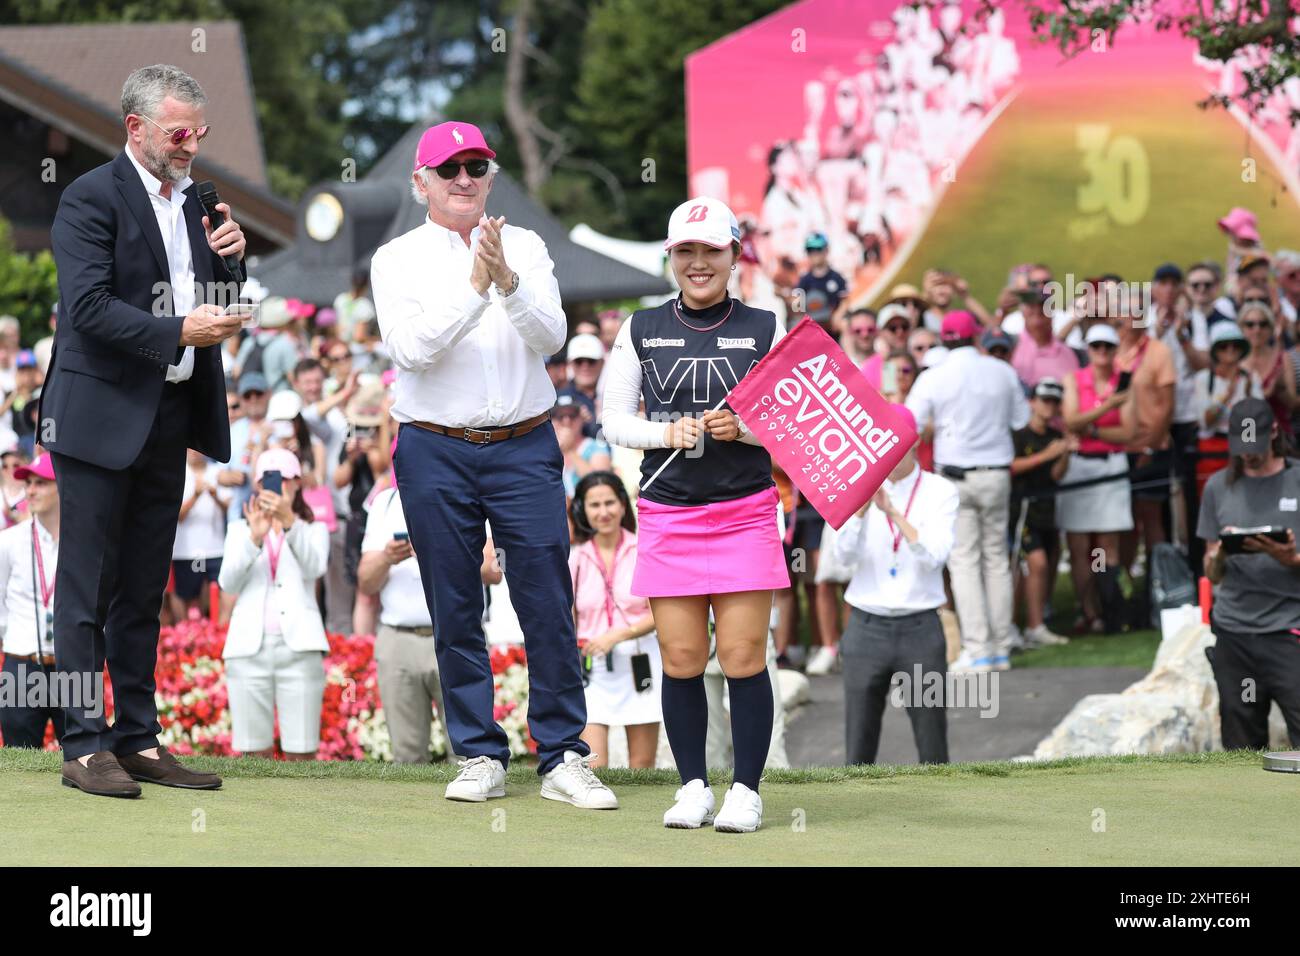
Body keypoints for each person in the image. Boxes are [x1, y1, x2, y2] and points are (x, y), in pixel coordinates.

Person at [372, 121, 616, 809]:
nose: (463, 179)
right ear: (420, 181)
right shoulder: (397, 258)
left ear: (490, 175)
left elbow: (552, 336)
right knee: (454, 603)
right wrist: (476, 285)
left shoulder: (529, 246)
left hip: (524, 441)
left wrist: (505, 277)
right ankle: (479, 752)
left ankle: (564, 754)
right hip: (434, 445)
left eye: (475, 166)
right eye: (448, 169)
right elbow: (413, 350)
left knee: (545, 598)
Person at [44, 64, 242, 797]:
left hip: (168, 414)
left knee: (141, 588)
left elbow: (218, 312)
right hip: (96, 419)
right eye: (179, 131)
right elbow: (88, 309)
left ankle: (135, 738)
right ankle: (81, 744)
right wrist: (177, 327)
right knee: (85, 590)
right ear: (137, 128)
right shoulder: (90, 196)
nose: (191, 144)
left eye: (199, 131)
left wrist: (233, 262)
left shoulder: (200, 206)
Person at [602, 196, 789, 832]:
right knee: (680, 659)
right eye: (686, 251)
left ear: (735, 254)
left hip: (744, 510)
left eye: (712, 250)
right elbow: (614, 419)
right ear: (670, 257)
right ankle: (692, 787)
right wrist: (665, 434)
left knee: (742, 658)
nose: (699, 262)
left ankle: (747, 790)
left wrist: (746, 429)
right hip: (668, 512)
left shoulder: (769, 325)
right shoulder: (641, 327)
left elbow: (797, 427)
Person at [833, 406, 959, 764]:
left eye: (896, 444)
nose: (888, 453)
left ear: (914, 442)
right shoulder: (856, 484)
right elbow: (842, 558)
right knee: (858, 739)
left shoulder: (940, 491)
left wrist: (892, 513)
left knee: (931, 738)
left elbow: (934, 556)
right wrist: (858, 511)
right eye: (882, 443)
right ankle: (855, 811)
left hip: (920, 626)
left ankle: (941, 810)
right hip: (865, 624)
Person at [906, 310, 1029, 672]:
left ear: (944, 339)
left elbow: (909, 421)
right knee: (995, 560)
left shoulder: (934, 376)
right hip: (996, 473)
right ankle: (1000, 647)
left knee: (964, 562)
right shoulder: (1002, 371)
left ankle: (979, 650)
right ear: (975, 336)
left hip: (956, 476)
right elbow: (1020, 421)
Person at [359, 483, 500, 762]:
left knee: (469, 753)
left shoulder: (470, 489)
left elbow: (495, 570)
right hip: (399, 638)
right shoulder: (385, 501)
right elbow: (365, 581)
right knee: (407, 756)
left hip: (459, 633)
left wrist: (443, 548)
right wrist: (387, 557)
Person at [1199, 399, 1300, 749]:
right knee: (1241, 744)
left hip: (1288, 630)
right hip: (1235, 632)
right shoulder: (1217, 487)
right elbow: (1212, 574)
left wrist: (1290, 558)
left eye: (1254, 447)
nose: (1249, 456)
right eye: (1241, 449)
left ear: (1273, 432)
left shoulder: (1296, 480)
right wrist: (1222, 552)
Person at [218, 449, 329, 759]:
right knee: (253, 751)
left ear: (296, 484)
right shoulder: (239, 530)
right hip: (247, 648)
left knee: (303, 750)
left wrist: (289, 522)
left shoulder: (313, 528)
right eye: (268, 481)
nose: (276, 488)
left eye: (284, 480)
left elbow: (314, 567)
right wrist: (254, 539)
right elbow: (228, 582)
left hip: (300, 647)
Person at [569, 472, 661, 769]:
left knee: (642, 765)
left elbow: (661, 613)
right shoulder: (575, 557)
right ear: (583, 510)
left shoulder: (645, 549)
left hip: (640, 661)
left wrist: (619, 635)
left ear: (623, 505)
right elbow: (567, 615)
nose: (603, 512)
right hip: (592, 668)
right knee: (593, 765)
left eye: (610, 502)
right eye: (594, 505)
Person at [1058, 323, 1138, 633]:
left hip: (1110, 464)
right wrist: (1108, 408)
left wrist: (1090, 429)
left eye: (1107, 347)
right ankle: (1088, 610)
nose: (1102, 353)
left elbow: (1128, 432)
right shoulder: (1075, 379)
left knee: (1105, 547)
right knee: (1079, 546)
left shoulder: (1124, 384)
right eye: (1096, 347)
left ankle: (1108, 609)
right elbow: (1070, 418)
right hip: (1080, 465)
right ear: (1088, 350)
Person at [0, 455, 63, 748]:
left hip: (73, 665)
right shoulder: (9, 541)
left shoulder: (84, 542)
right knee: (19, 761)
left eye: (41, 483)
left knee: (90, 759)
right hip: (21, 664)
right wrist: (12, 639)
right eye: (28, 483)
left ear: (62, 486)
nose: (31, 490)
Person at [1010, 379, 1074, 647]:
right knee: (1032, 566)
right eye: (1044, 399)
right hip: (1022, 512)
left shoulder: (1056, 437)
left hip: (1047, 512)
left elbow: (1057, 476)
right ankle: (1024, 625)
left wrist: (1064, 453)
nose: (1049, 405)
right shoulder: (1018, 435)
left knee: (1040, 569)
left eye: (1054, 401)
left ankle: (1033, 624)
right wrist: (1048, 455)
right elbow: (1011, 467)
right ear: (1032, 402)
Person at [1193, 322, 1261, 495]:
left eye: (1235, 345)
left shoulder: (1251, 380)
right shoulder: (1203, 379)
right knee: (1212, 504)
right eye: (1224, 346)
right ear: (1215, 351)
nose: (1230, 350)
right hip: (1212, 450)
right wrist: (1226, 398)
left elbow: (1259, 420)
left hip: (1244, 449)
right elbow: (1206, 422)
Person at [170, 448, 231, 621]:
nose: (195, 452)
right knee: (186, 596)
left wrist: (215, 496)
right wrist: (196, 496)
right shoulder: (178, 472)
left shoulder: (217, 472)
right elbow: (178, 516)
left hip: (215, 549)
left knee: (216, 593)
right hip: (187, 551)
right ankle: (184, 637)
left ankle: (212, 636)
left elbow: (227, 508)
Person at [233, 296, 298, 393]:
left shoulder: (250, 341)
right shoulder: (285, 343)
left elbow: (236, 372)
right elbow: (293, 377)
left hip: (251, 398)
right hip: (277, 396)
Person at [552, 395, 611, 498]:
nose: (567, 421)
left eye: (572, 415)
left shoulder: (597, 446)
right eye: (560, 416)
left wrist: (570, 450)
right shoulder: (546, 451)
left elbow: (600, 485)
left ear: (581, 418)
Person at [795, 232, 848, 334]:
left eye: (818, 249)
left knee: (845, 324)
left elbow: (845, 301)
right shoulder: (803, 280)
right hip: (812, 322)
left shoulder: (837, 278)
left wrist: (838, 315)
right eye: (810, 250)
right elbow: (796, 305)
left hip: (832, 323)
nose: (814, 253)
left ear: (826, 251)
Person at [557, 333, 604, 439]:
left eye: (591, 361)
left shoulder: (617, 396)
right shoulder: (555, 400)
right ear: (570, 363)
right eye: (579, 361)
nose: (585, 366)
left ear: (602, 363)